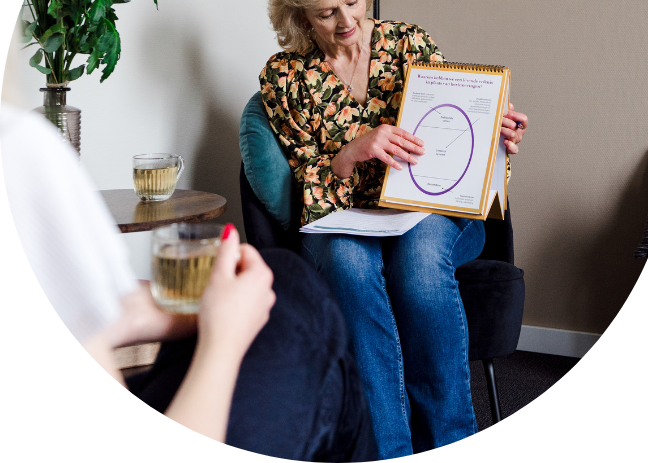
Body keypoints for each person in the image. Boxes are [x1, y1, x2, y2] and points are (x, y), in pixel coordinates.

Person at [259, 0, 529, 459]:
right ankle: (387, 450)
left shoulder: (409, 44)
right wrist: (349, 153)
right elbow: (305, 186)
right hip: (343, 220)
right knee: (348, 265)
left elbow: (457, 133)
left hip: (429, 212)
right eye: (325, 13)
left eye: (351, 1)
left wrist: (496, 137)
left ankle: (449, 436)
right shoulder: (283, 77)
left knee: (420, 260)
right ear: (299, 16)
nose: (346, 20)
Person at [1, 99, 377, 461]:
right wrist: (225, 335)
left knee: (295, 291)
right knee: (292, 291)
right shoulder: (18, 145)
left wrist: (133, 314)